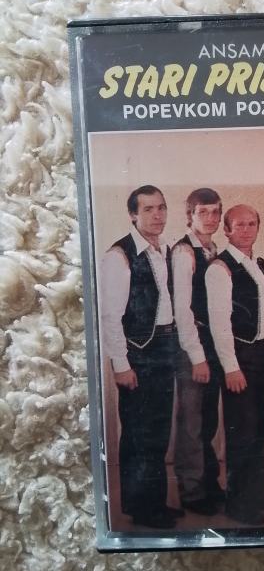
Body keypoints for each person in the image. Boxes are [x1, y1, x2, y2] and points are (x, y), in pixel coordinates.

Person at [100, 185, 182, 529]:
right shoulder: (119, 256)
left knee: (157, 432)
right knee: (140, 434)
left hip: (165, 345)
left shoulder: (163, 249)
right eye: (148, 209)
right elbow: (110, 317)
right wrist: (121, 365)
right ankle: (143, 509)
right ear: (133, 215)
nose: (157, 215)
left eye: (161, 207)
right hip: (138, 353)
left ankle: (152, 502)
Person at [205, 205, 264, 526]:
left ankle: (256, 494)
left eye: (252, 224)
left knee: (259, 430)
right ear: (227, 230)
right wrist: (231, 367)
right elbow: (219, 324)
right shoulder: (220, 268)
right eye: (240, 225)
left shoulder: (257, 263)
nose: (247, 230)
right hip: (241, 359)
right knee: (242, 433)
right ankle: (239, 504)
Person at [172, 188, 225, 515]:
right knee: (191, 422)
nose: (210, 218)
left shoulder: (212, 250)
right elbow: (182, 311)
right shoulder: (184, 252)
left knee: (208, 420)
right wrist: (197, 357)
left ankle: (208, 482)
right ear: (190, 216)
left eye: (215, 212)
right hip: (192, 345)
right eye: (203, 212)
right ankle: (192, 492)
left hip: (212, 343)